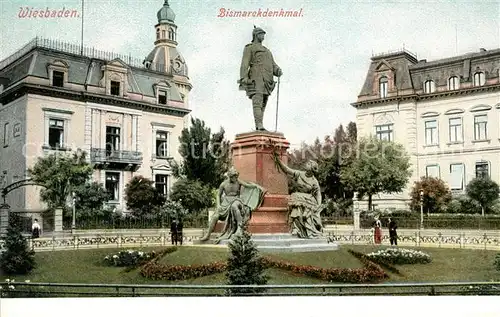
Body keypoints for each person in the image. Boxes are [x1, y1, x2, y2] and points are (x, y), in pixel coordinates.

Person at [199, 167, 265, 243]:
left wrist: (256, 186)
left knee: (234, 206)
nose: (236, 178)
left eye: (237, 176)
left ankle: (240, 227)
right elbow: (218, 195)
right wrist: (218, 205)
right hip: (225, 203)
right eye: (234, 176)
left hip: (236, 200)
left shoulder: (238, 181)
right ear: (230, 176)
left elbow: (247, 185)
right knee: (215, 216)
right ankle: (208, 234)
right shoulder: (223, 184)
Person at [239, 26, 283, 131]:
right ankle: (259, 125)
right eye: (261, 34)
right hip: (256, 78)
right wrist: (243, 77)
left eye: (264, 34)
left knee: (263, 103)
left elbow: (273, 65)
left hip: (267, 81)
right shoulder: (249, 48)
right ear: (256, 35)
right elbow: (244, 64)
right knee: (257, 102)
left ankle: (260, 125)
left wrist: (277, 70)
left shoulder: (267, 51)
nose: (263, 36)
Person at [272, 152, 324, 239]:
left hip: (308, 200)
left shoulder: (314, 181)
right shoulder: (299, 174)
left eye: (308, 164)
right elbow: (286, 170)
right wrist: (278, 159)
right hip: (298, 197)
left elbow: (318, 194)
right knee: (296, 206)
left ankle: (308, 231)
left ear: (311, 169)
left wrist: (318, 206)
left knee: (305, 214)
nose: (306, 165)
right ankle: (298, 230)